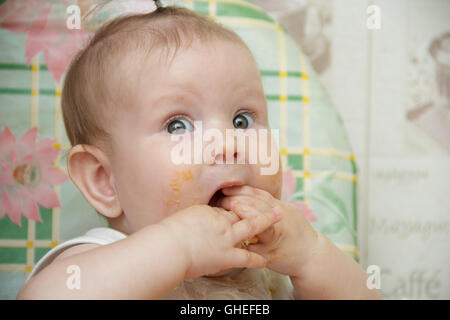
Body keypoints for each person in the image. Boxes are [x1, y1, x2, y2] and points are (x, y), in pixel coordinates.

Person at [17, 5, 381, 300]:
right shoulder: (101, 260)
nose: (227, 143)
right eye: (178, 125)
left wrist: (311, 255)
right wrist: (177, 249)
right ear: (103, 180)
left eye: (241, 121)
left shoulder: (271, 266)